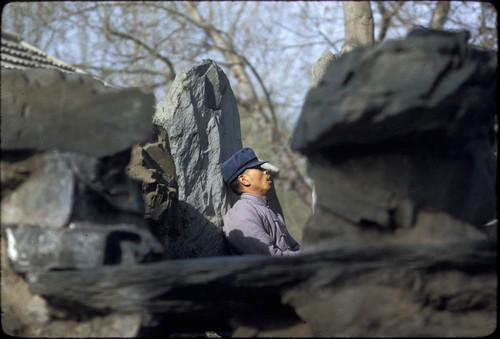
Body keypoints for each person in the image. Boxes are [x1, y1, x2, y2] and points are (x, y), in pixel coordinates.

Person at [221, 147, 301, 256]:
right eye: (259, 168)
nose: (265, 171)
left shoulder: (267, 209)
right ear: (244, 180)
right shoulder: (242, 213)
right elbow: (269, 258)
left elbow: (294, 248)